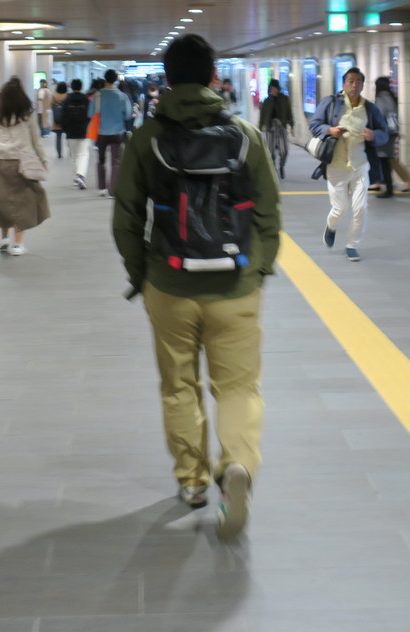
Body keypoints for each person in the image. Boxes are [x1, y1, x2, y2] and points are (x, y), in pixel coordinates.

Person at [111, 34, 281, 540]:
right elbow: (269, 212)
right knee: (238, 386)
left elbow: (126, 217)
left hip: (169, 284)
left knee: (179, 385)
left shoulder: (148, 137)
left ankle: (191, 480)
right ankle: (238, 465)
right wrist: (259, 271)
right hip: (236, 285)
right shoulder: (245, 135)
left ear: (167, 81)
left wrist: (141, 273)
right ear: (213, 77)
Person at [309, 67, 389, 262]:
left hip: (360, 165)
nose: (354, 85)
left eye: (358, 81)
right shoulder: (331, 103)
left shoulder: (369, 109)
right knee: (340, 209)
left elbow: (384, 132)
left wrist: (373, 135)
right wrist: (330, 130)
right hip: (336, 166)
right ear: (344, 84)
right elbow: (314, 124)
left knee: (361, 208)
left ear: (362, 85)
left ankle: (352, 245)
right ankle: (331, 226)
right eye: (351, 81)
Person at [0, 77, 50, 255]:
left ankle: (4, 237)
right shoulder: (27, 117)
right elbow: (36, 142)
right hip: (21, 164)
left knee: (1, 201)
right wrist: (44, 161)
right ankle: (17, 244)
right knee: (21, 203)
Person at [89, 69, 130, 198]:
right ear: (116, 79)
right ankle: (113, 190)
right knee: (116, 161)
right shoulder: (122, 96)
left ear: (105, 79)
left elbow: (90, 114)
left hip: (101, 132)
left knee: (101, 159)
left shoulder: (98, 96)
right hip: (118, 132)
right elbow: (128, 115)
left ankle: (102, 188)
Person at [372, 76, 410, 198]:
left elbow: (379, 117)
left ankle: (390, 187)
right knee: (388, 159)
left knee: (385, 159)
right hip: (391, 133)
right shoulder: (391, 98)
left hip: (383, 133)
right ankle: (383, 183)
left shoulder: (380, 99)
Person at [257, 78, 294, 178]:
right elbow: (262, 117)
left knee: (284, 151)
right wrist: (259, 129)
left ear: (278, 89)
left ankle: (281, 166)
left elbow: (289, 113)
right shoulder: (266, 101)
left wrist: (292, 125)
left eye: (275, 88)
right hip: (269, 128)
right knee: (270, 151)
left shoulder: (284, 99)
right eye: (272, 89)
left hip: (281, 127)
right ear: (270, 89)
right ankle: (273, 168)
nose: (274, 90)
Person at [61, 77, 94, 187]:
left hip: (71, 132)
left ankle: (77, 176)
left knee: (74, 155)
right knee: (83, 154)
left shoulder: (67, 100)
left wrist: (65, 129)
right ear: (81, 87)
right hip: (84, 131)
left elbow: (63, 116)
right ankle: (80, 176)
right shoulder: (85, 100)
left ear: (72, 87)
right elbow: (90, 116)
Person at [50, 80, 68, 158]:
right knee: (69, 137)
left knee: (58, 137)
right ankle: (70, 152)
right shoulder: (67, 96)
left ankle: (59, 154)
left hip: (57, 120)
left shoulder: (54, 96)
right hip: (66, 120)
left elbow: (51, 106)